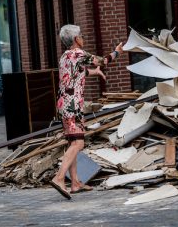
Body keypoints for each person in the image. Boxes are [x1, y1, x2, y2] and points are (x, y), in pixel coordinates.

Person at [49, 24, 124, 199]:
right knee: (78, 144)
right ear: (76, 39)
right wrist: (117, 51)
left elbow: (74, 74)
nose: (83, 37)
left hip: (63, 104)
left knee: (72, 142)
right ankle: (59, 178)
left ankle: (75, 182)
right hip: (73, 105)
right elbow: (103, 60)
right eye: (81, 35)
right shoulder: (79, 54)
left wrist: (93, 72)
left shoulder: (65, 57)